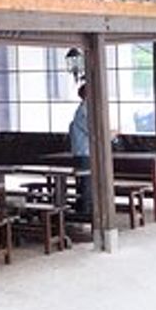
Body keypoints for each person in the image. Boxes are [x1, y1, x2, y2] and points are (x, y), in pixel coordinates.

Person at [68, 82, 93, 220]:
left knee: (86, 182)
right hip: (83, 152)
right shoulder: (83, 111)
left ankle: (85, 209)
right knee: (85, 184)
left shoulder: (85, 110)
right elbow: (91, 130)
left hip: (84, 152)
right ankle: (84, 213)